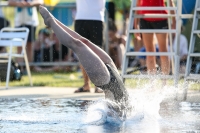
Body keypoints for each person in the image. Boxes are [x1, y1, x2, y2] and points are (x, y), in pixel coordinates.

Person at [39, 5, 131, 119]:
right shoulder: (133, 116)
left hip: (106, 81)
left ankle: (51, 22)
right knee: (84, 41)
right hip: (113, 71)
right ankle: (54, 20)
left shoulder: (120, 119)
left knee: (78, 45)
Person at [134, 0, 176, 76]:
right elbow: (138, 4)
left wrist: (174, 21)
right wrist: (136, 25)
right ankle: (152, 82)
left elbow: (170, 2)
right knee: (149, 53)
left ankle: (164, 82)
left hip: (161, 18)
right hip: (145, 18)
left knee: (163, 51)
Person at [73, 0, 106, 93]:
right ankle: (86, 84)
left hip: (97, 17)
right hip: (81, 17)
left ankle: (99, 84)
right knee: (81, 51)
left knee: (98, 52)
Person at [8, 0, 44, 71]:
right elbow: (9, 2)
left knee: (30, 46)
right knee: (19, 47)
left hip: (31, 22)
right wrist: (18, 3)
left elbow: (41, 1)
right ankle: (19, 69)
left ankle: (29, 68)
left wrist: (31, 4)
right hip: (18, 23)